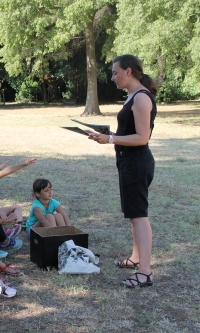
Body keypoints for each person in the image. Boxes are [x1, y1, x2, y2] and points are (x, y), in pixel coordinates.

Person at [88, 54, 156, 289]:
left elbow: (142, 137)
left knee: (139, 216)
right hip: (128, 162)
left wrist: (110, 139)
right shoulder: (132, 96)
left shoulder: (141, 98)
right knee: (133, 215)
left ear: (129, 71)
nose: (113, 77)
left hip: (137, 163)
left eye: (116, 72)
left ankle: (145, 272)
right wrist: (107, 136)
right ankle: (136, 257)